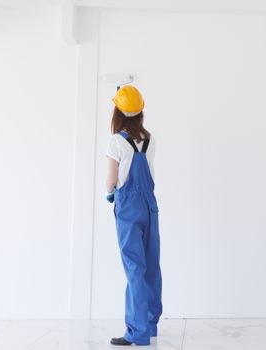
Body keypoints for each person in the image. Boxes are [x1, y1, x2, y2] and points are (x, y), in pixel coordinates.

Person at [105, 85, 162, 346]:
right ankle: (150, 324)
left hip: (128, 208)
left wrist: (110, 193)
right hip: (150, 206)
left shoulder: (116, 140)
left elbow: (111, 179)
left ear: (118, 111)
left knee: (134, 267)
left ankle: (136, 332)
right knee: (151, 264)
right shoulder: (149, 139)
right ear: (140, 112)